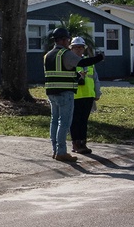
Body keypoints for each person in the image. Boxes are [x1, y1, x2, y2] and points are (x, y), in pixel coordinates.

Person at [44, 27, 97, 162]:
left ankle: (55, 150)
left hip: (51, 92)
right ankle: (62, 152)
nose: (68, 41)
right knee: (64, 123)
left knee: (54, 121)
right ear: (62, 40)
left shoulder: (48, 55)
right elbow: (82, 62)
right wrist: (99, 58)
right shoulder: (65, 53)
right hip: (65, 93)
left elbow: (61, 72)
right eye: (68, 39)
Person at [69, 37, 103, 155]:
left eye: (81, 47)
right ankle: (76, 143)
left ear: (84, 49)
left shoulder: (89, 63)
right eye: (76, 47)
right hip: (75, 96)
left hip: (88, 95)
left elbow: (95, 78)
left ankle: (83, 142)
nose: (79, 50)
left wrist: (97, 92)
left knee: (84, 121)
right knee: (75, 121)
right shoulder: (70, 62)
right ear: (71, 49)